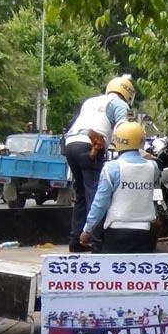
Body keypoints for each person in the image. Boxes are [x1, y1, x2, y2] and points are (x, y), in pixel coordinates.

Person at [65, 76, 135, 252]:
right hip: (90, 147)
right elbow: (126, 130)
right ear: (128, 94)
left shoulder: (90, 101)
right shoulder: (121, 105)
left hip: (70, 144)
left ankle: (75, 241)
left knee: (81, 194)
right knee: (96, 195)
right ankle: (97, 243)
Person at [80, 121, 159, 254]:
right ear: (141, 141)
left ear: (117, 141)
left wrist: (87, 230)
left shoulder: (112, 168)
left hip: (117, 233)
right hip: (146, 233)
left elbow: (100, 203)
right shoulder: (153, 167)